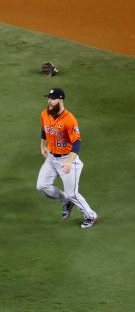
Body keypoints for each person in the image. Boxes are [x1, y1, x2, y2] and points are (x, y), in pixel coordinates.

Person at [37, 88, 98, 228]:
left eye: (52, 98)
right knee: (42, 186)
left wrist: (69, 162)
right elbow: (43, 130)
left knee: (73, 193)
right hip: (52, 158)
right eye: (49, 98)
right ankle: (65, 201)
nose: (49, 101)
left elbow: (77, 142)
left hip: (68, 160)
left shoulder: (69, 119)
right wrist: (42, 146)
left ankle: (91, 215)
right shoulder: (45, 114)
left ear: (60, 100)